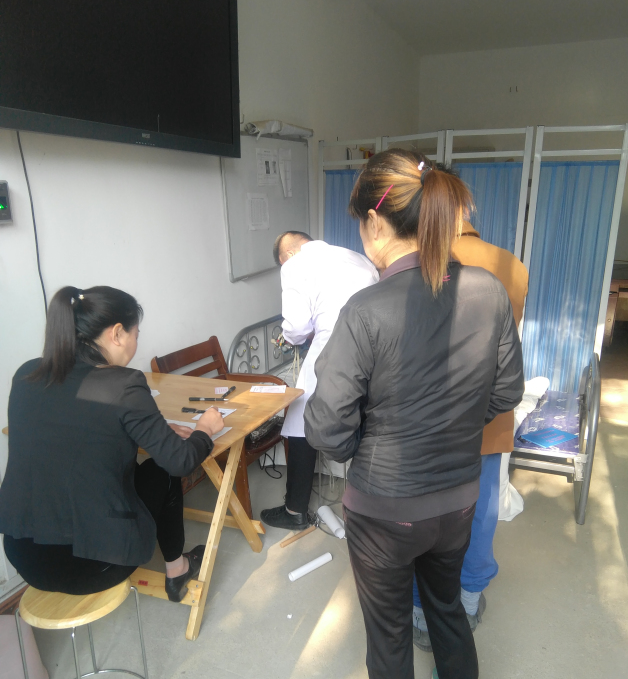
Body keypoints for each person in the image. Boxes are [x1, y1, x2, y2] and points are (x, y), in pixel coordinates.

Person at [304, 152, 524, 679]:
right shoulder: (488, 291)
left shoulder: (366, 309)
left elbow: (326, 427)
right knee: (446, 600)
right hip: (457, 499)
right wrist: (452, 430)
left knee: (390, 630)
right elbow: (506, 390)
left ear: (376, 224)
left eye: (359, 226)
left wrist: (367, 446)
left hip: (384, 511)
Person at [0, 286, 223, 601]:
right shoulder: (124, 384)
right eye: (136, 334)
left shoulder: (27, 374)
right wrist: (204, 428)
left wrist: (153, 429)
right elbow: (181, 461)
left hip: (24, 556)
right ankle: (178, 569)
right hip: (95, 566)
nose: (135, 343)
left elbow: (80, 431)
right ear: (117, 334)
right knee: (163, 471)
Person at [412, 219, 529, 648]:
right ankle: (468, 600)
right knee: (480, 511)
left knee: (423, 514)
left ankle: (420, 612)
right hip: (489, 415)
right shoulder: (512, 266)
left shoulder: (422, 260)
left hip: (428, 415)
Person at [260, 231, 378, 531]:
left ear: (287, 255)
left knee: (301, 422)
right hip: (375, 353)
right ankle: (369, 509)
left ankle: (295, 510)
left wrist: (291, 338)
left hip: (332, 351)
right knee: (368, 421)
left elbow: (297, 327)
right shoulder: (357, 258)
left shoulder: (295, 265)